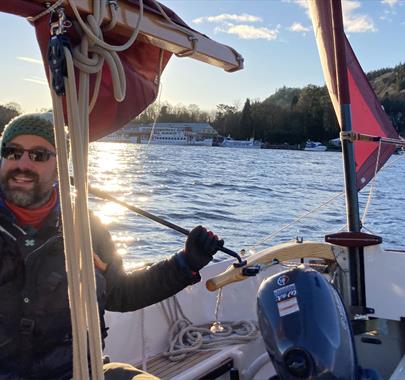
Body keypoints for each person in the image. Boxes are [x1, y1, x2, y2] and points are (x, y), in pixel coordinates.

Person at [0, 113, 223, 379]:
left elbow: (121, 293)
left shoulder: (86, 227)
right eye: (12, 152)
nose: (22, 163)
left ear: (60, 164)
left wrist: (185, 263)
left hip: (80, 373)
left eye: (38, 155)